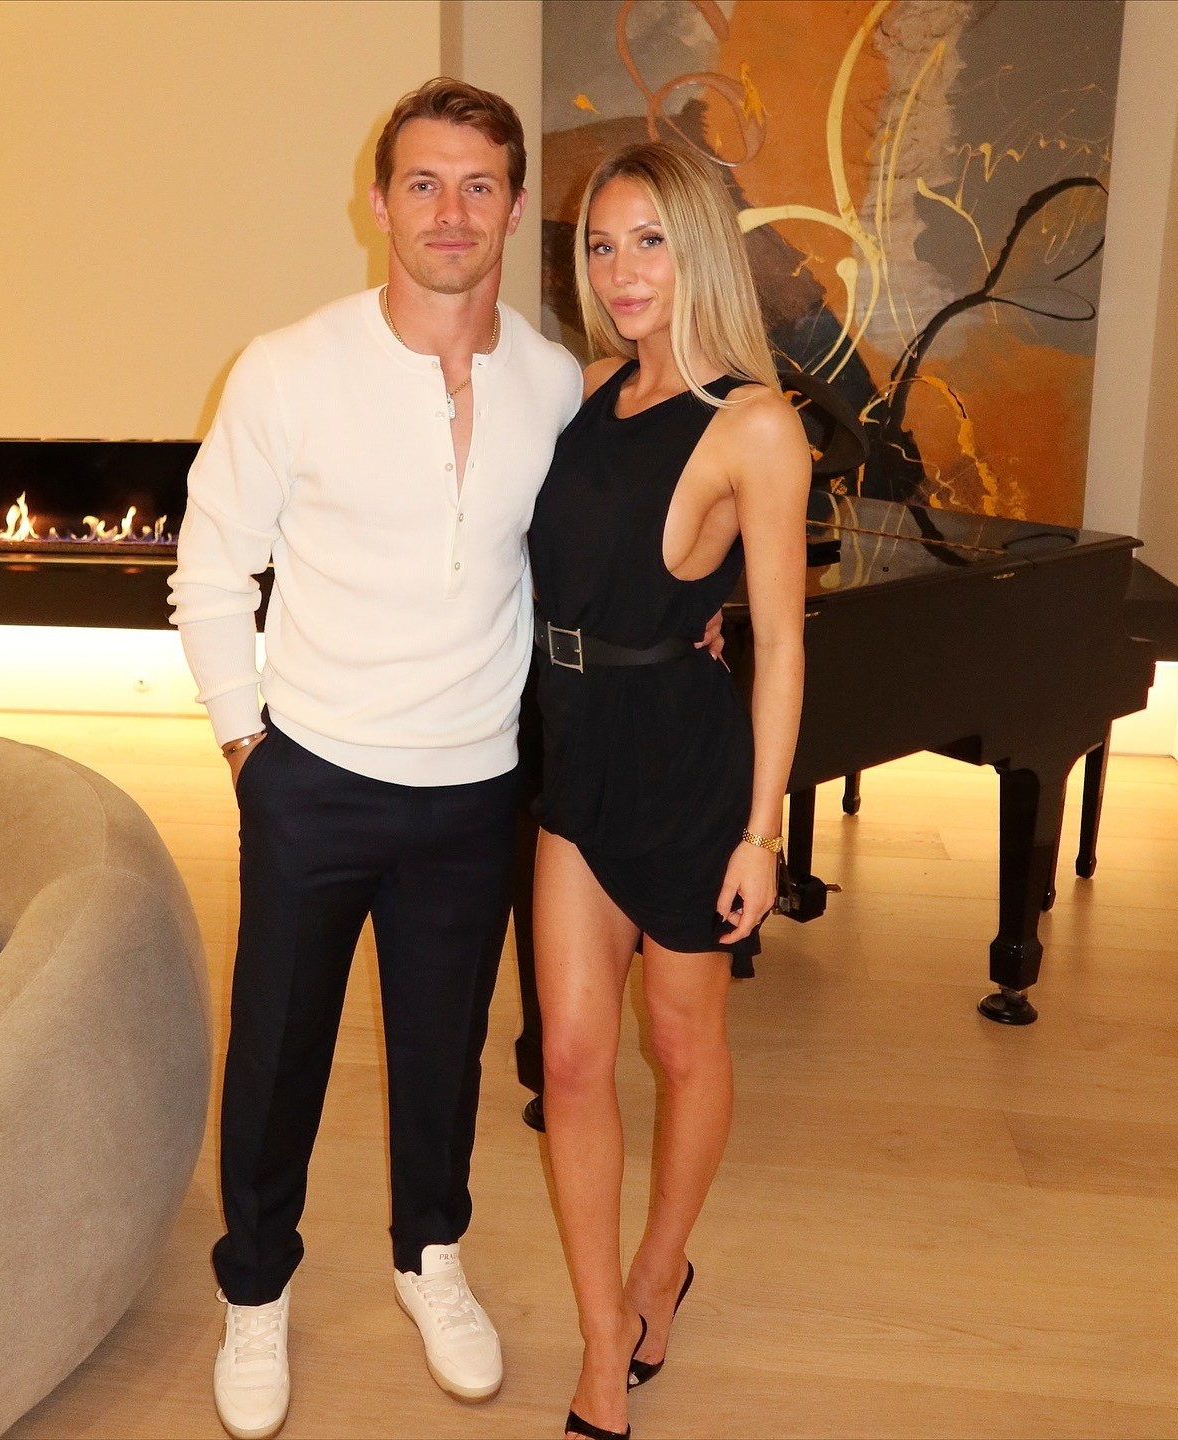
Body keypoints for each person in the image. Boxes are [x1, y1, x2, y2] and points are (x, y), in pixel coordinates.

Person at [169, 79, 584, 1439]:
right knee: (277, 1049)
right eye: (424, 183)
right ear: (379, 202)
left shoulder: (553, 383)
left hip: (473, 789)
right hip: (314, 777)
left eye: (478, 186)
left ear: (512, 209)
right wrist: (248, 745)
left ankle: (431, 1257)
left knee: (445, 1049)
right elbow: (210, 567)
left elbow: (574, 563)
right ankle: (255, 1285)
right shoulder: (289, 367)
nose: (450, 211)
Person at [527, 143, 811, 1440]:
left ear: (695, 246)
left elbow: (780, 642)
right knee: (571, 1058)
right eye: (601, 245)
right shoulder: (589, 391)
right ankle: (602, 1343)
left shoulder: (756, 423)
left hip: (685, 774)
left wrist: (763, 832)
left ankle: (660, 1267)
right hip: (574, 751)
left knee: (684, 1047)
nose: (621, 271)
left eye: (648, 241)